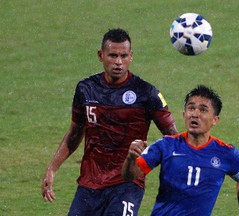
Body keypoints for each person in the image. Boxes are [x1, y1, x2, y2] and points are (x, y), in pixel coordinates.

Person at [41, 28, 178, 216]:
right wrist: (52, 169)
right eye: (113, 55)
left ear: (131, 56)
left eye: (123, 56)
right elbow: (74, 134)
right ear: (101, 55)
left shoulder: (146, 93)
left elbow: (174, 138)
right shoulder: (86, 89)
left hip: (127, 183)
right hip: (89, 183)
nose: (118, 62)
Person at [122, 85, 239, 216]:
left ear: (215, 120)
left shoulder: (226, 153)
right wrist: (131, 158)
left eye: (203, 110)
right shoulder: (165, 145)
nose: (195, 114)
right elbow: (129, 176)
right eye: (191, 108)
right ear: (184, 115)